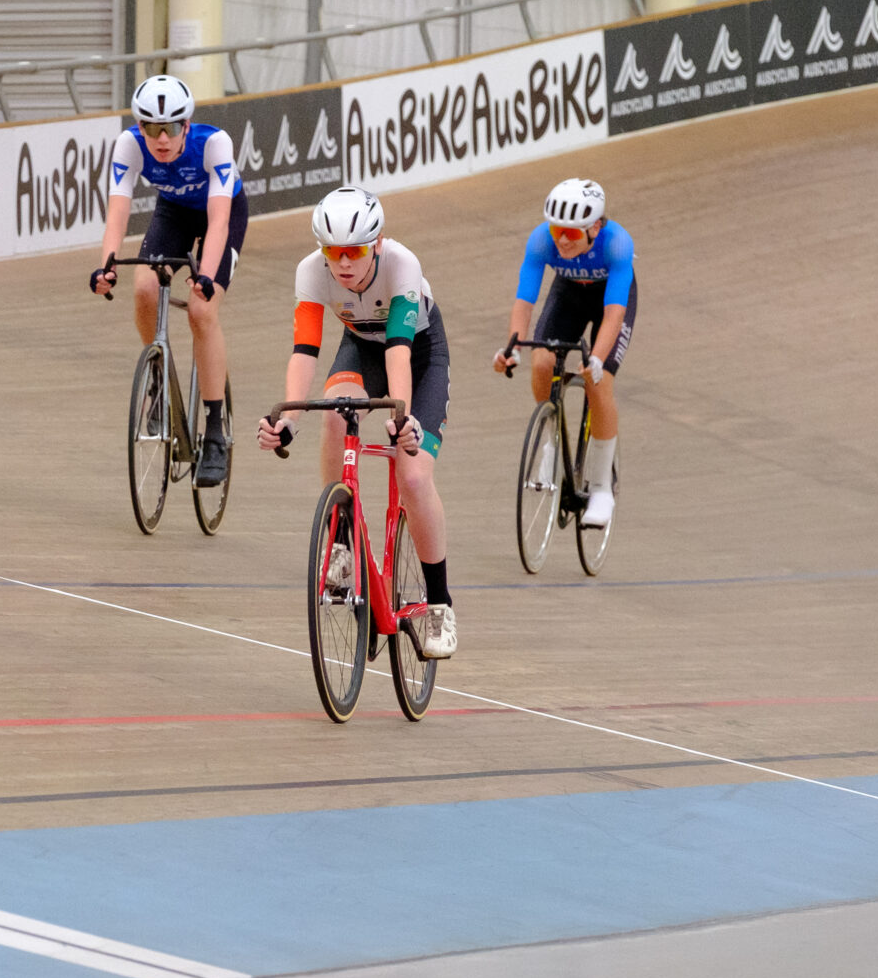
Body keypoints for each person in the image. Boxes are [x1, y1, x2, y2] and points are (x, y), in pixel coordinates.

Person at [261, 186, 458, 659]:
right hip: (361, 348)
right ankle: (342, 543)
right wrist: (289, 419)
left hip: (418, 355)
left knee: (413, 476)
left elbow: (399, 353)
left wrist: (402, 418)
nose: (344, 263)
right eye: (333, 252)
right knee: (333, 414)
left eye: (355, 251)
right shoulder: (311, 272)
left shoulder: (402, 265)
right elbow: (304, 352)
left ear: (378, 243)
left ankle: (440, 604)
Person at [91, 73, 245, 487]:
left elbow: (219, 222)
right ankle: (158, 379)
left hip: (220, 213)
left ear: (187, 125)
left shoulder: (215, 144)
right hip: (174, 212)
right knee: (144, 287)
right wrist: (106, 266)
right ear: (139, 127)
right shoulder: (129, 144)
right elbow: (117, 212)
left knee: (201, 311)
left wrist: (206, 275)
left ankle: (215, 432)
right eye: (152, 128)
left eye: (172, 128)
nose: (162, 139)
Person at [491, 177, 634, 529]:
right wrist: (512, 347)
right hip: (568, 295)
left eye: (571, 232)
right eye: (557, 230)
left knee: (599, 383)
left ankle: (601, 487)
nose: (562, 240)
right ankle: (552, 445)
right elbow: (525, 300)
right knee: (542, 362)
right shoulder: (542, 240)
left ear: (595, 228)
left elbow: (614, 314)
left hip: (610, 300)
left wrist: (596, 359)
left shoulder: (617, 244)